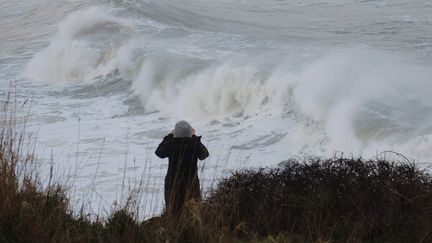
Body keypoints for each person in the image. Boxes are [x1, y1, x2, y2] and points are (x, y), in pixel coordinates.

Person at [155, 120, 209, 217]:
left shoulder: (171, 145)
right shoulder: (194, 144)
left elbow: (159, 152)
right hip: (191, 184)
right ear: (189, 133)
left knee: (173, 213)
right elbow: (204, 154)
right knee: (194, 212)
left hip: (172, 184)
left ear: (176, 133)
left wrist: (169, 136)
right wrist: (194, 137)